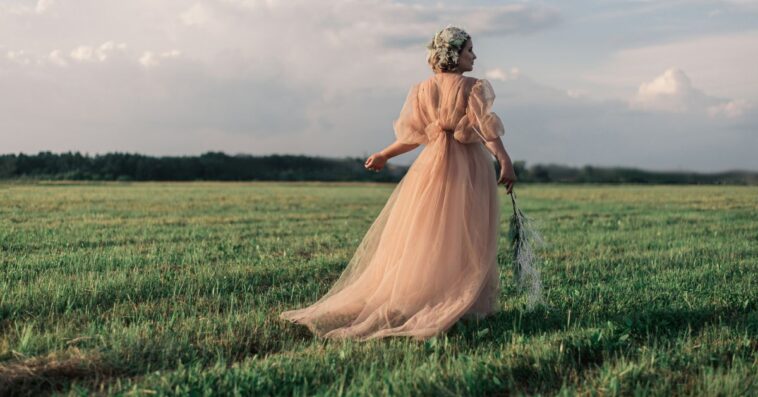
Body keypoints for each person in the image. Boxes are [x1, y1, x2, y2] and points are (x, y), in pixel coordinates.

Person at [279, 25, 517, 341]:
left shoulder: (422, 90)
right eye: (469, 50)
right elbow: (486, 130)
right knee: (465, 232)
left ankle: (430, 294)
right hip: (468, 168)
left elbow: (411, 138)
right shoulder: (473, 87)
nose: (474, 55)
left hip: (431, 167)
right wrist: (504, 159)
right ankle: (454, 300)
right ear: (453, 55)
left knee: (428, 231)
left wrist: (383, 154)